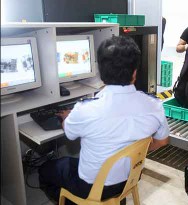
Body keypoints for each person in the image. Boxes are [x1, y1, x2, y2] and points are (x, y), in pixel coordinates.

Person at [38, 36, 170, 205]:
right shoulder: (154, 106)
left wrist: (66, 117)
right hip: (130, 180)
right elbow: (163, 140)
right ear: (135, 72)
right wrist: (132, 155)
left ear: (101, 72)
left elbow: (69, 133)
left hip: (90, 187)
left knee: (45, 170)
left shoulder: (85, 109)